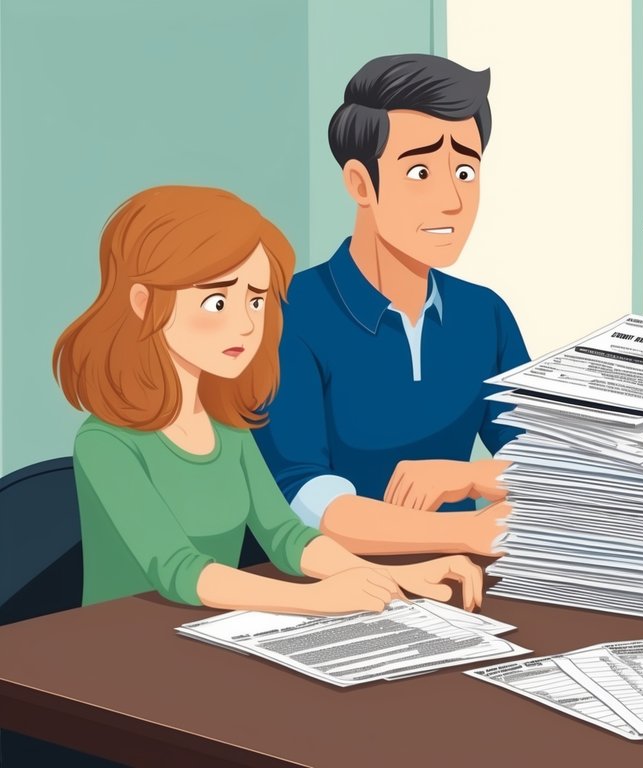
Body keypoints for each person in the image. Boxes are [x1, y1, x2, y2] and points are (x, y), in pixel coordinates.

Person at [53, 186, 483, 612]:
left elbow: (286, 537)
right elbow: (177, 569)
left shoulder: (229, 426)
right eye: (217, 301)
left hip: (214, 636)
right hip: (119, 649)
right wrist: (313, 599)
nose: (245, 324)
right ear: (144, 302)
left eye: (255, 299)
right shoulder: (105, 443)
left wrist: (395, 577)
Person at [255, 54, 529, 557]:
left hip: (467, 580)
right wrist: (465, 532)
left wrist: (467, 475)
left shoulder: (484, 314)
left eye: (466, 171)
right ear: (361, 183)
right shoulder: (291, 314)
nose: (452, 200)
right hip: (338, 587)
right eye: (421, 171)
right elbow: (303, 498)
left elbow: (545, 467)